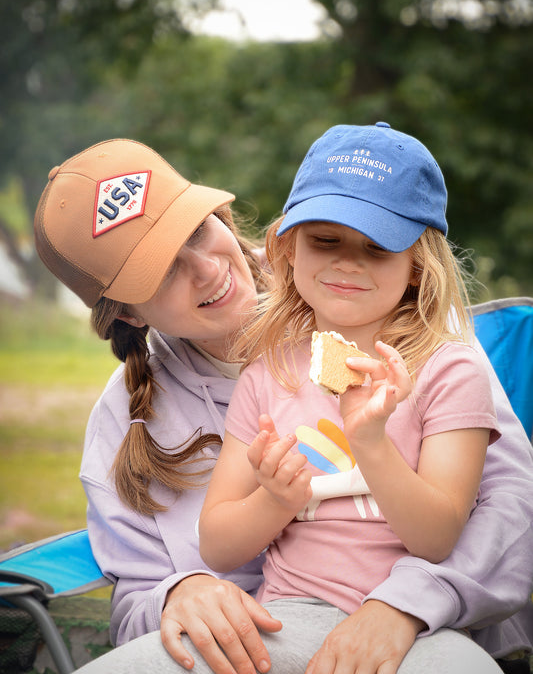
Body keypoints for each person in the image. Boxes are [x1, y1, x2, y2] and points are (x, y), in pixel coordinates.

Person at [32, 135, 533, 674]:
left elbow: (511, 506)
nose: (207, 269)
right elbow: (136, 602)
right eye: (162, 270)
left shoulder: (416, 334)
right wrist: (178, 592)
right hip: (261, 641)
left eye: (197, 230)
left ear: (222, 217)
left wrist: (406, 605)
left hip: (425, 633)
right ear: (127, 314)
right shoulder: (128, 420)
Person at [198, 120, 505, 668]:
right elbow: (217, 547)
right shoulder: (267, 374)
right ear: (289, 248)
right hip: (286, 616)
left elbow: (436, 539)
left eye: (378, 247)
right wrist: (276, 499)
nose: (347, 261)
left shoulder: (450, 370)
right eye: (326, 240)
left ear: (417, 266)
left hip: (418, 626)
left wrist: (371, 442)